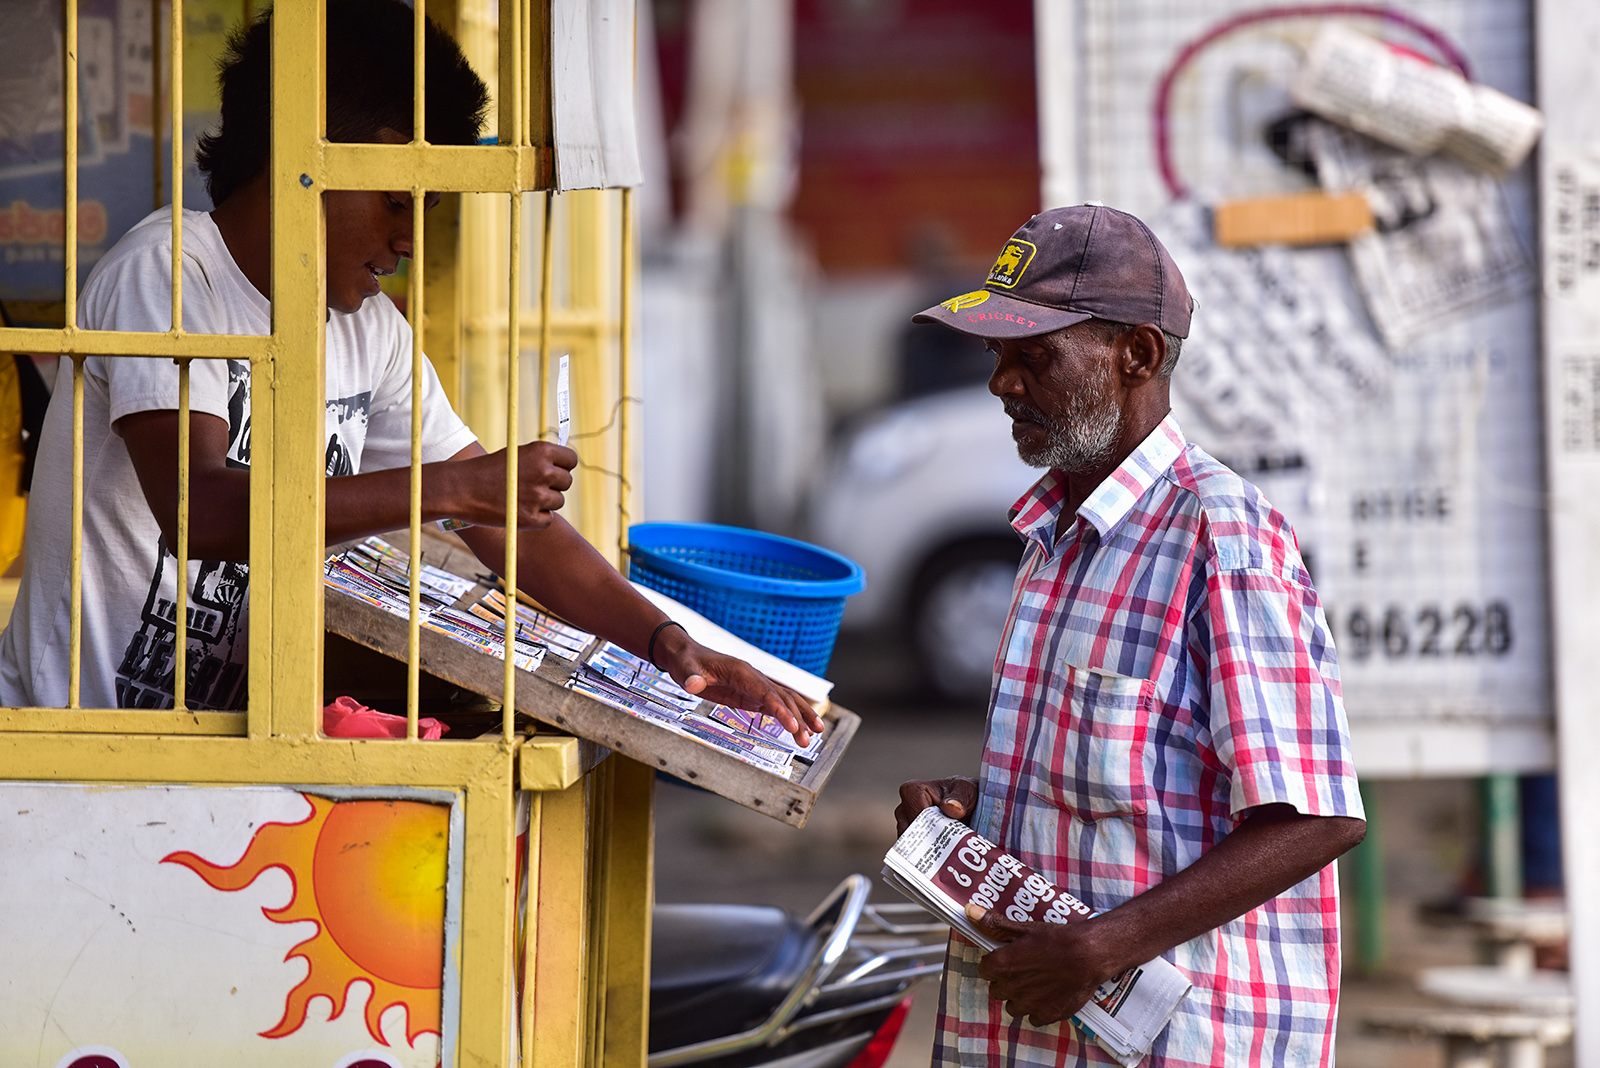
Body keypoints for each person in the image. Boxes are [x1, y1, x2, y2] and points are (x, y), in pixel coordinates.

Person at [0, 0, 822, 746]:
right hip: (79, 750)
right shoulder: (172, 273)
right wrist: (458, 491)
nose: (407, 241)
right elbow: (199, 509)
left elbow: (503, 524)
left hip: (220, 751)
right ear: (307, 162)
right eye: (394, 201)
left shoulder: (369, 334)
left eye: (424, 211)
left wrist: (671, 646)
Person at [894, 204, 1366, 1066]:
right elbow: (1134, 784)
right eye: (999, 355)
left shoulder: (1222, 536)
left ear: (1137, 355)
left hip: (1179, 1041)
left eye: (1033, 355)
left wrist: (1105, 946)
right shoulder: (1054, 534)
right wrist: (981, 805)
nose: (1002, 383)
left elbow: (1316, 816)